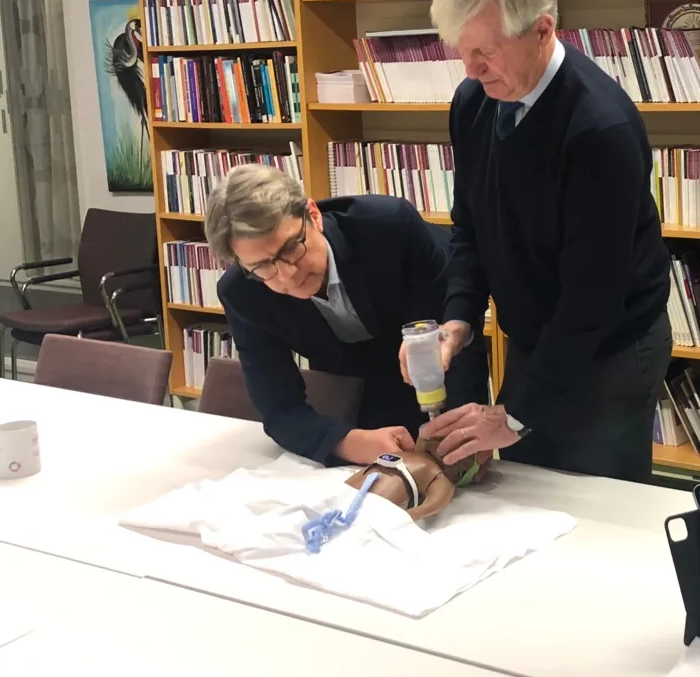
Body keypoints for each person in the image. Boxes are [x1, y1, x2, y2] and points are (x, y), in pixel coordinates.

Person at [408, 0, 672, 482]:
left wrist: (519, 413)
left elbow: (590, 297)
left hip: (610, 350)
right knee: (526, 492)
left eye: (485, 51)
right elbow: (470, 226)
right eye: (461, 48)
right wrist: (459, 317)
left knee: (596, 509)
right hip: (537, 337)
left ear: (542, 30)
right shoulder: (474, 102)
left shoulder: (601, 129)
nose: (470, 69)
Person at [205, 164, 489, 465]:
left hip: (436, 370)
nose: (287, 275)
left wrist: (464, 428)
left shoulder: (388, 226)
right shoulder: (242, 293)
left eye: (290, 248)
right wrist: (348, 442)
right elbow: (279, 408)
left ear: (313, 215)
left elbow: (452, 337)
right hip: (353, 386)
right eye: (262, 267)